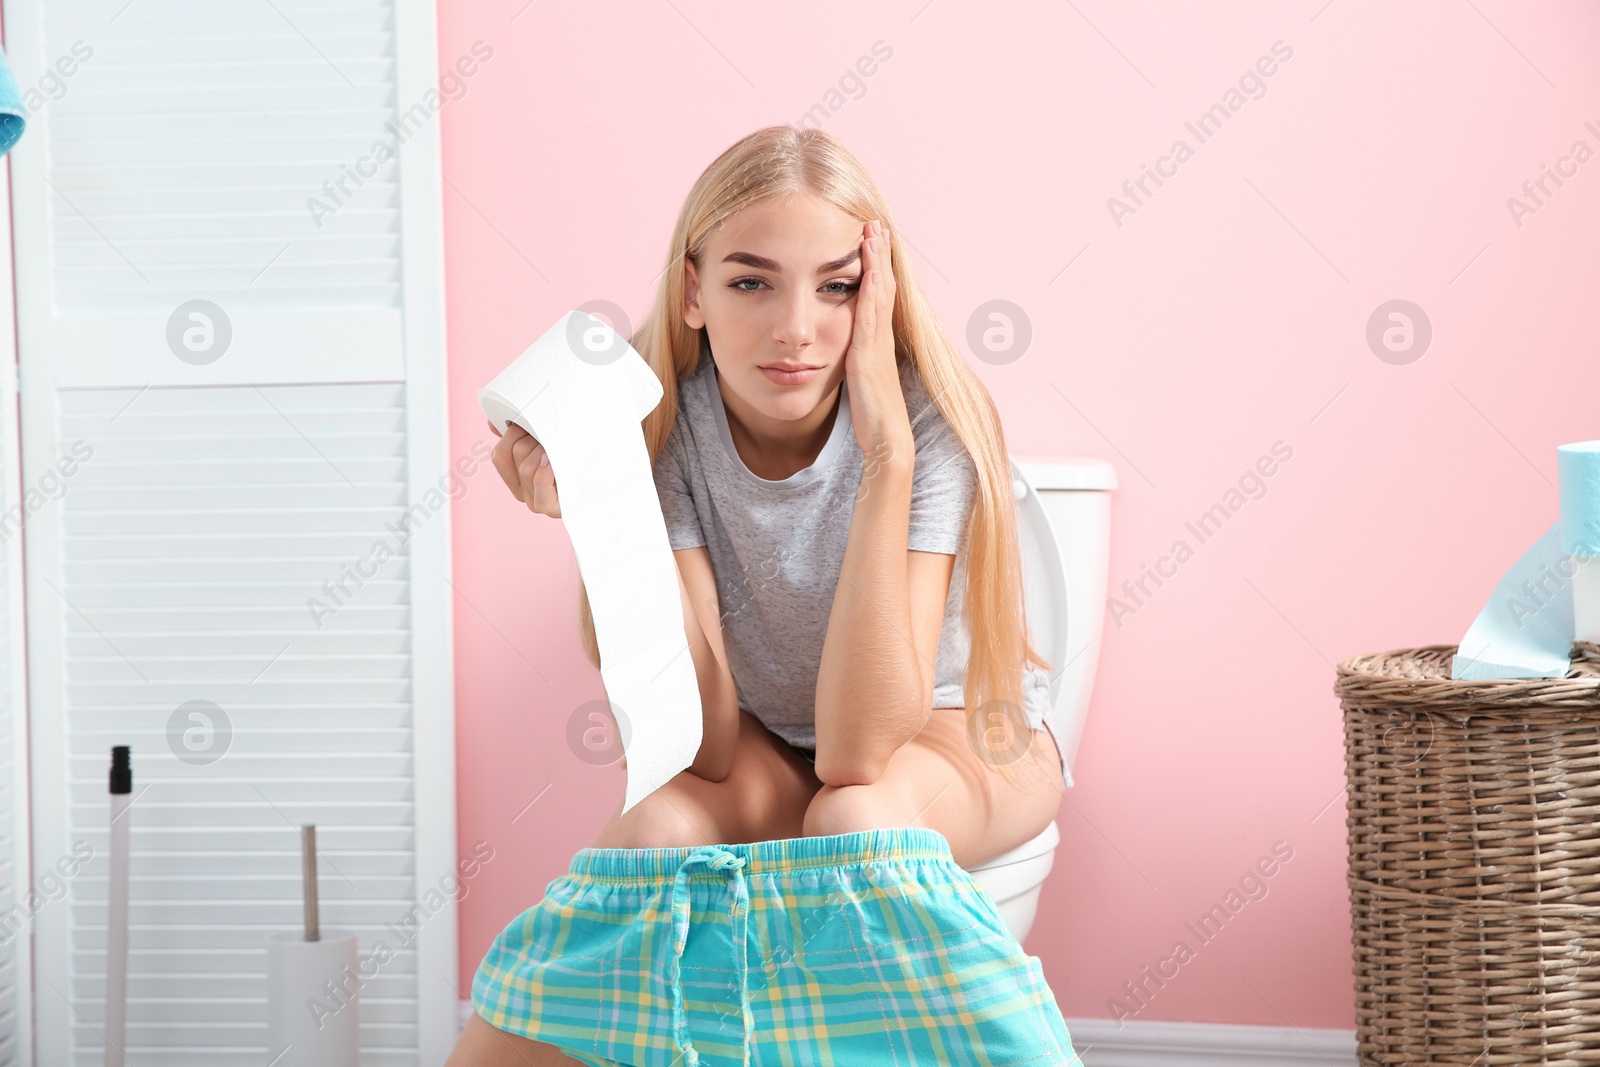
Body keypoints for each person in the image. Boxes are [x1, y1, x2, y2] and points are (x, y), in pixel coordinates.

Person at [448, 124, 1079, 1067]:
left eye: (838, 285)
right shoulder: (664, 426)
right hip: (767, 744)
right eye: (752, 281)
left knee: (853, 818)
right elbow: (702, 741)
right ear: (693, 290)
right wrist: (602, 505)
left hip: (960, 734)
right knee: (657, 831)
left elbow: (863, 750)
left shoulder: (931, 421)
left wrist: (887, 456)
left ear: (879, 295)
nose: (797, 327)